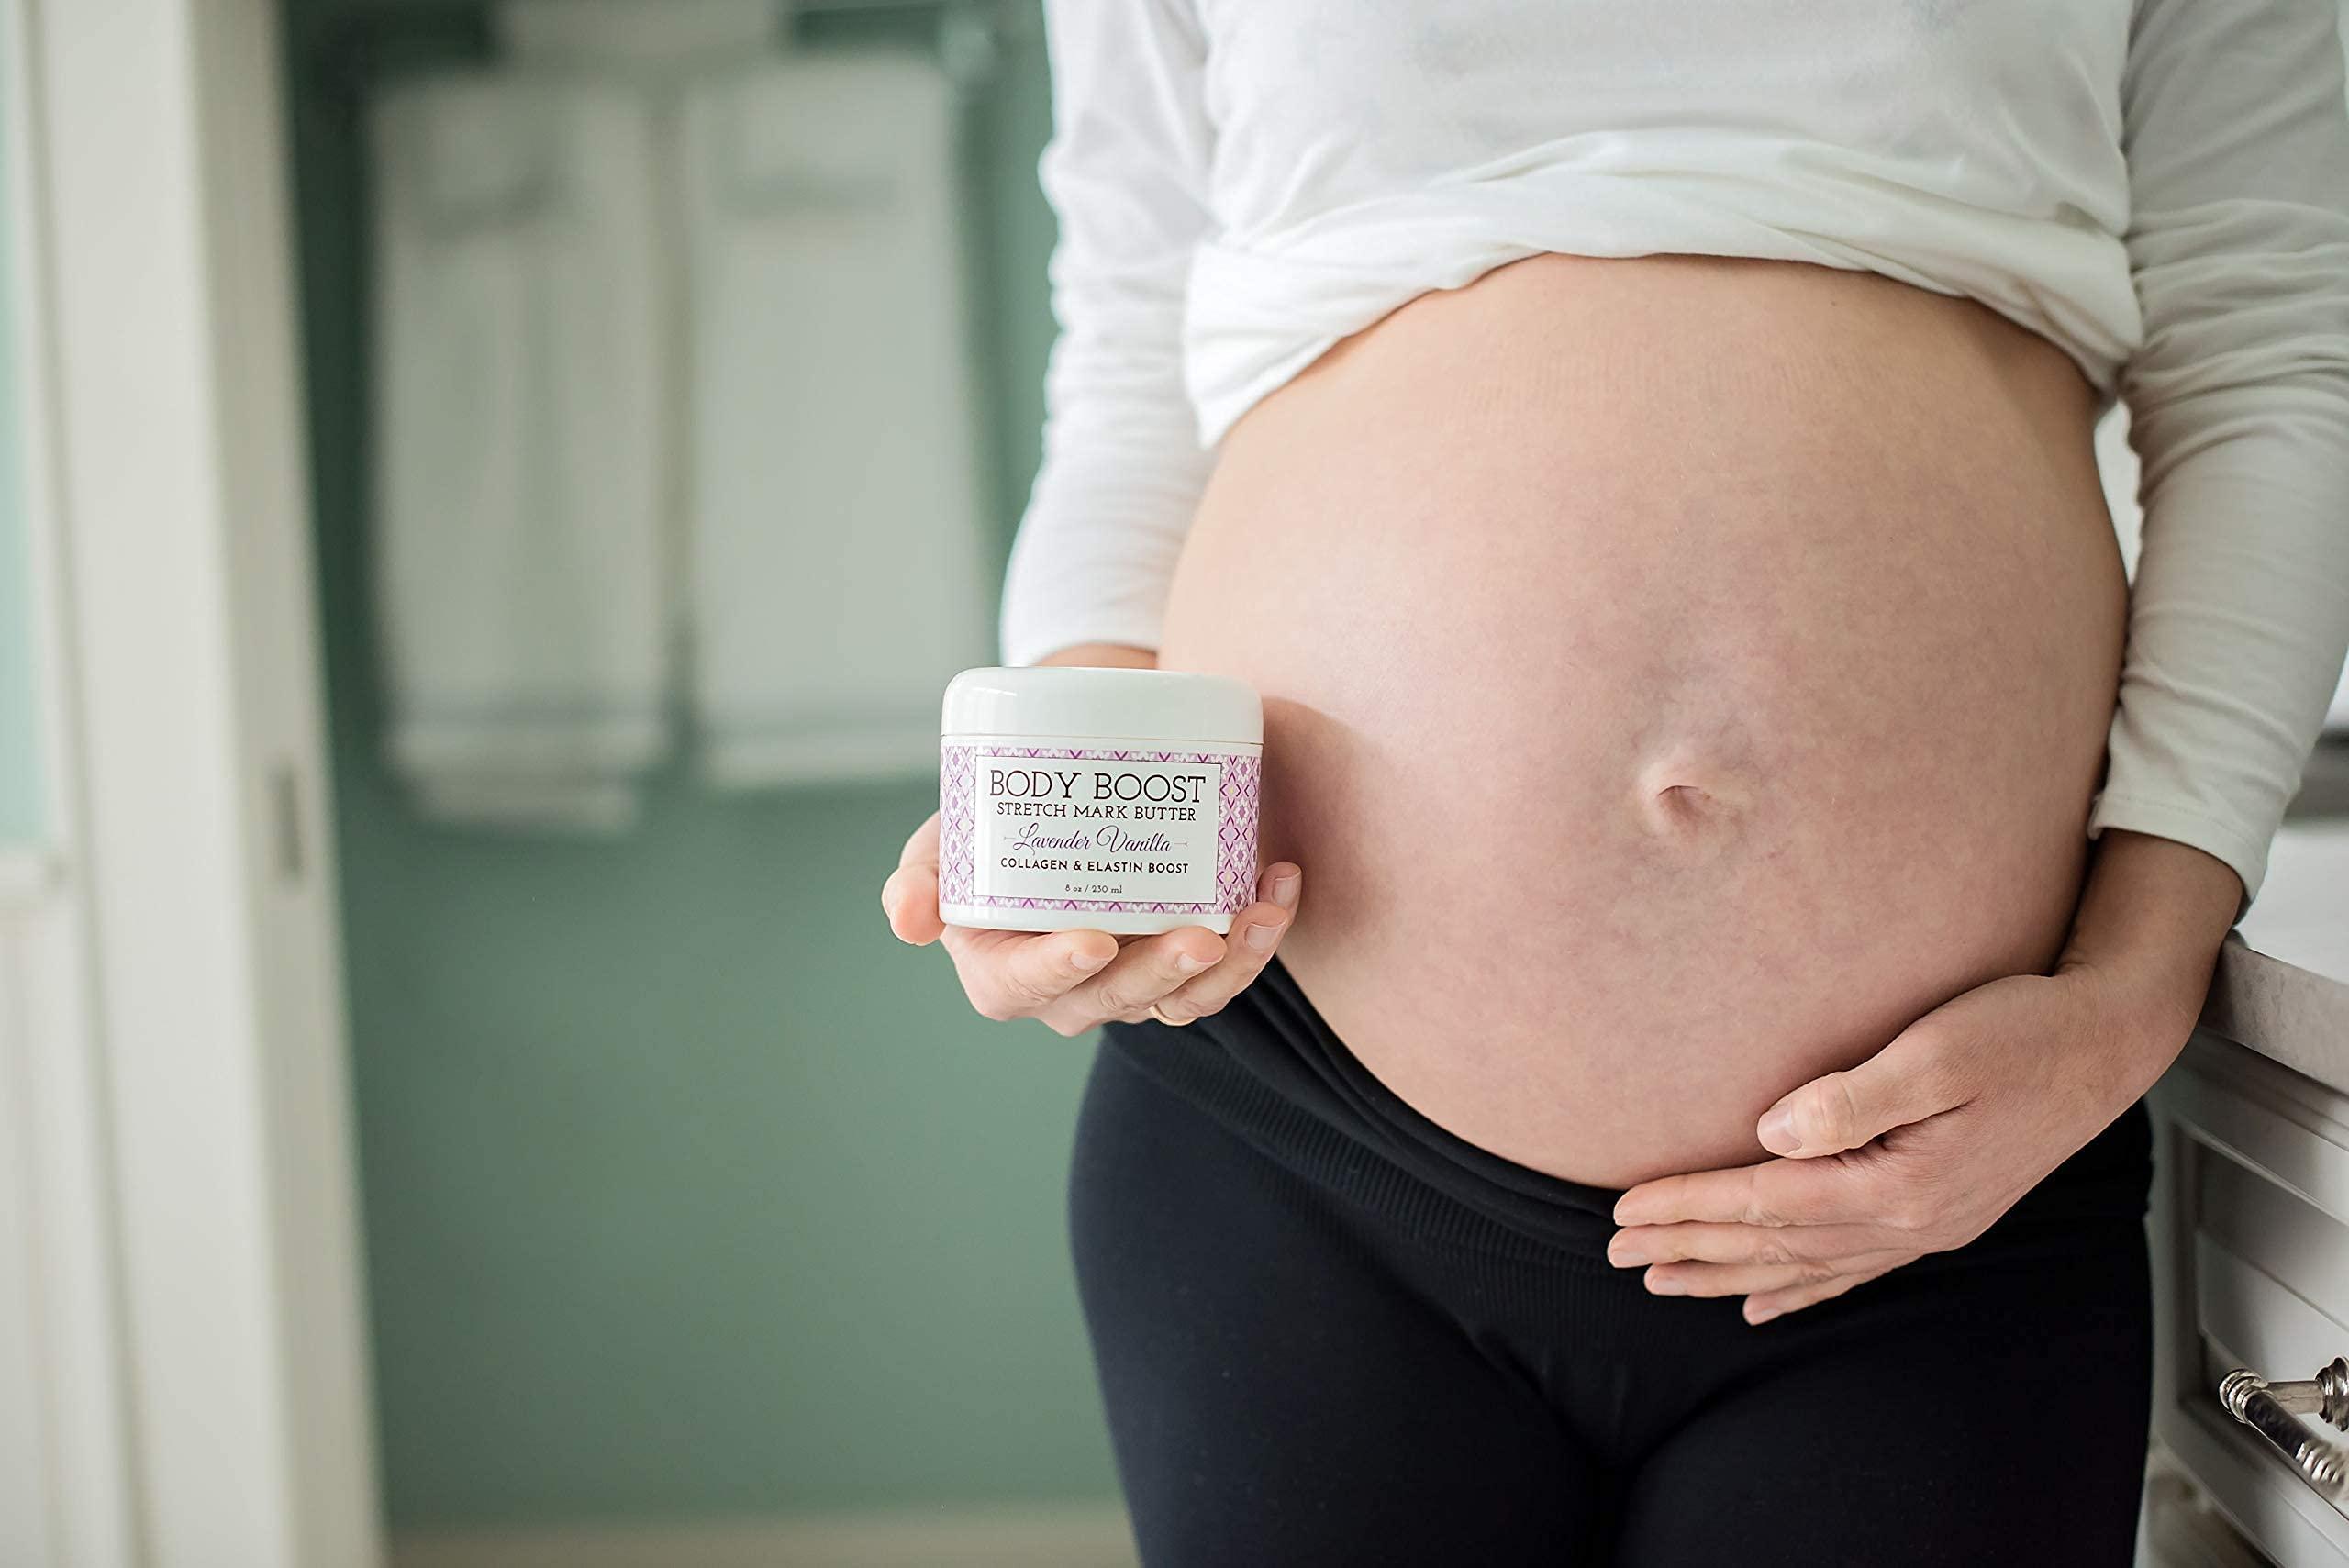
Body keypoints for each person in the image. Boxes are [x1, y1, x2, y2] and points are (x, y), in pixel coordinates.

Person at [882, 3, 2349, 1562]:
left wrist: (2134, 992)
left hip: (1940, 1188)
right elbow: (1128, 365)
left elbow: (2272, 357)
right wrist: (1067, 820)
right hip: (1303, 1134)